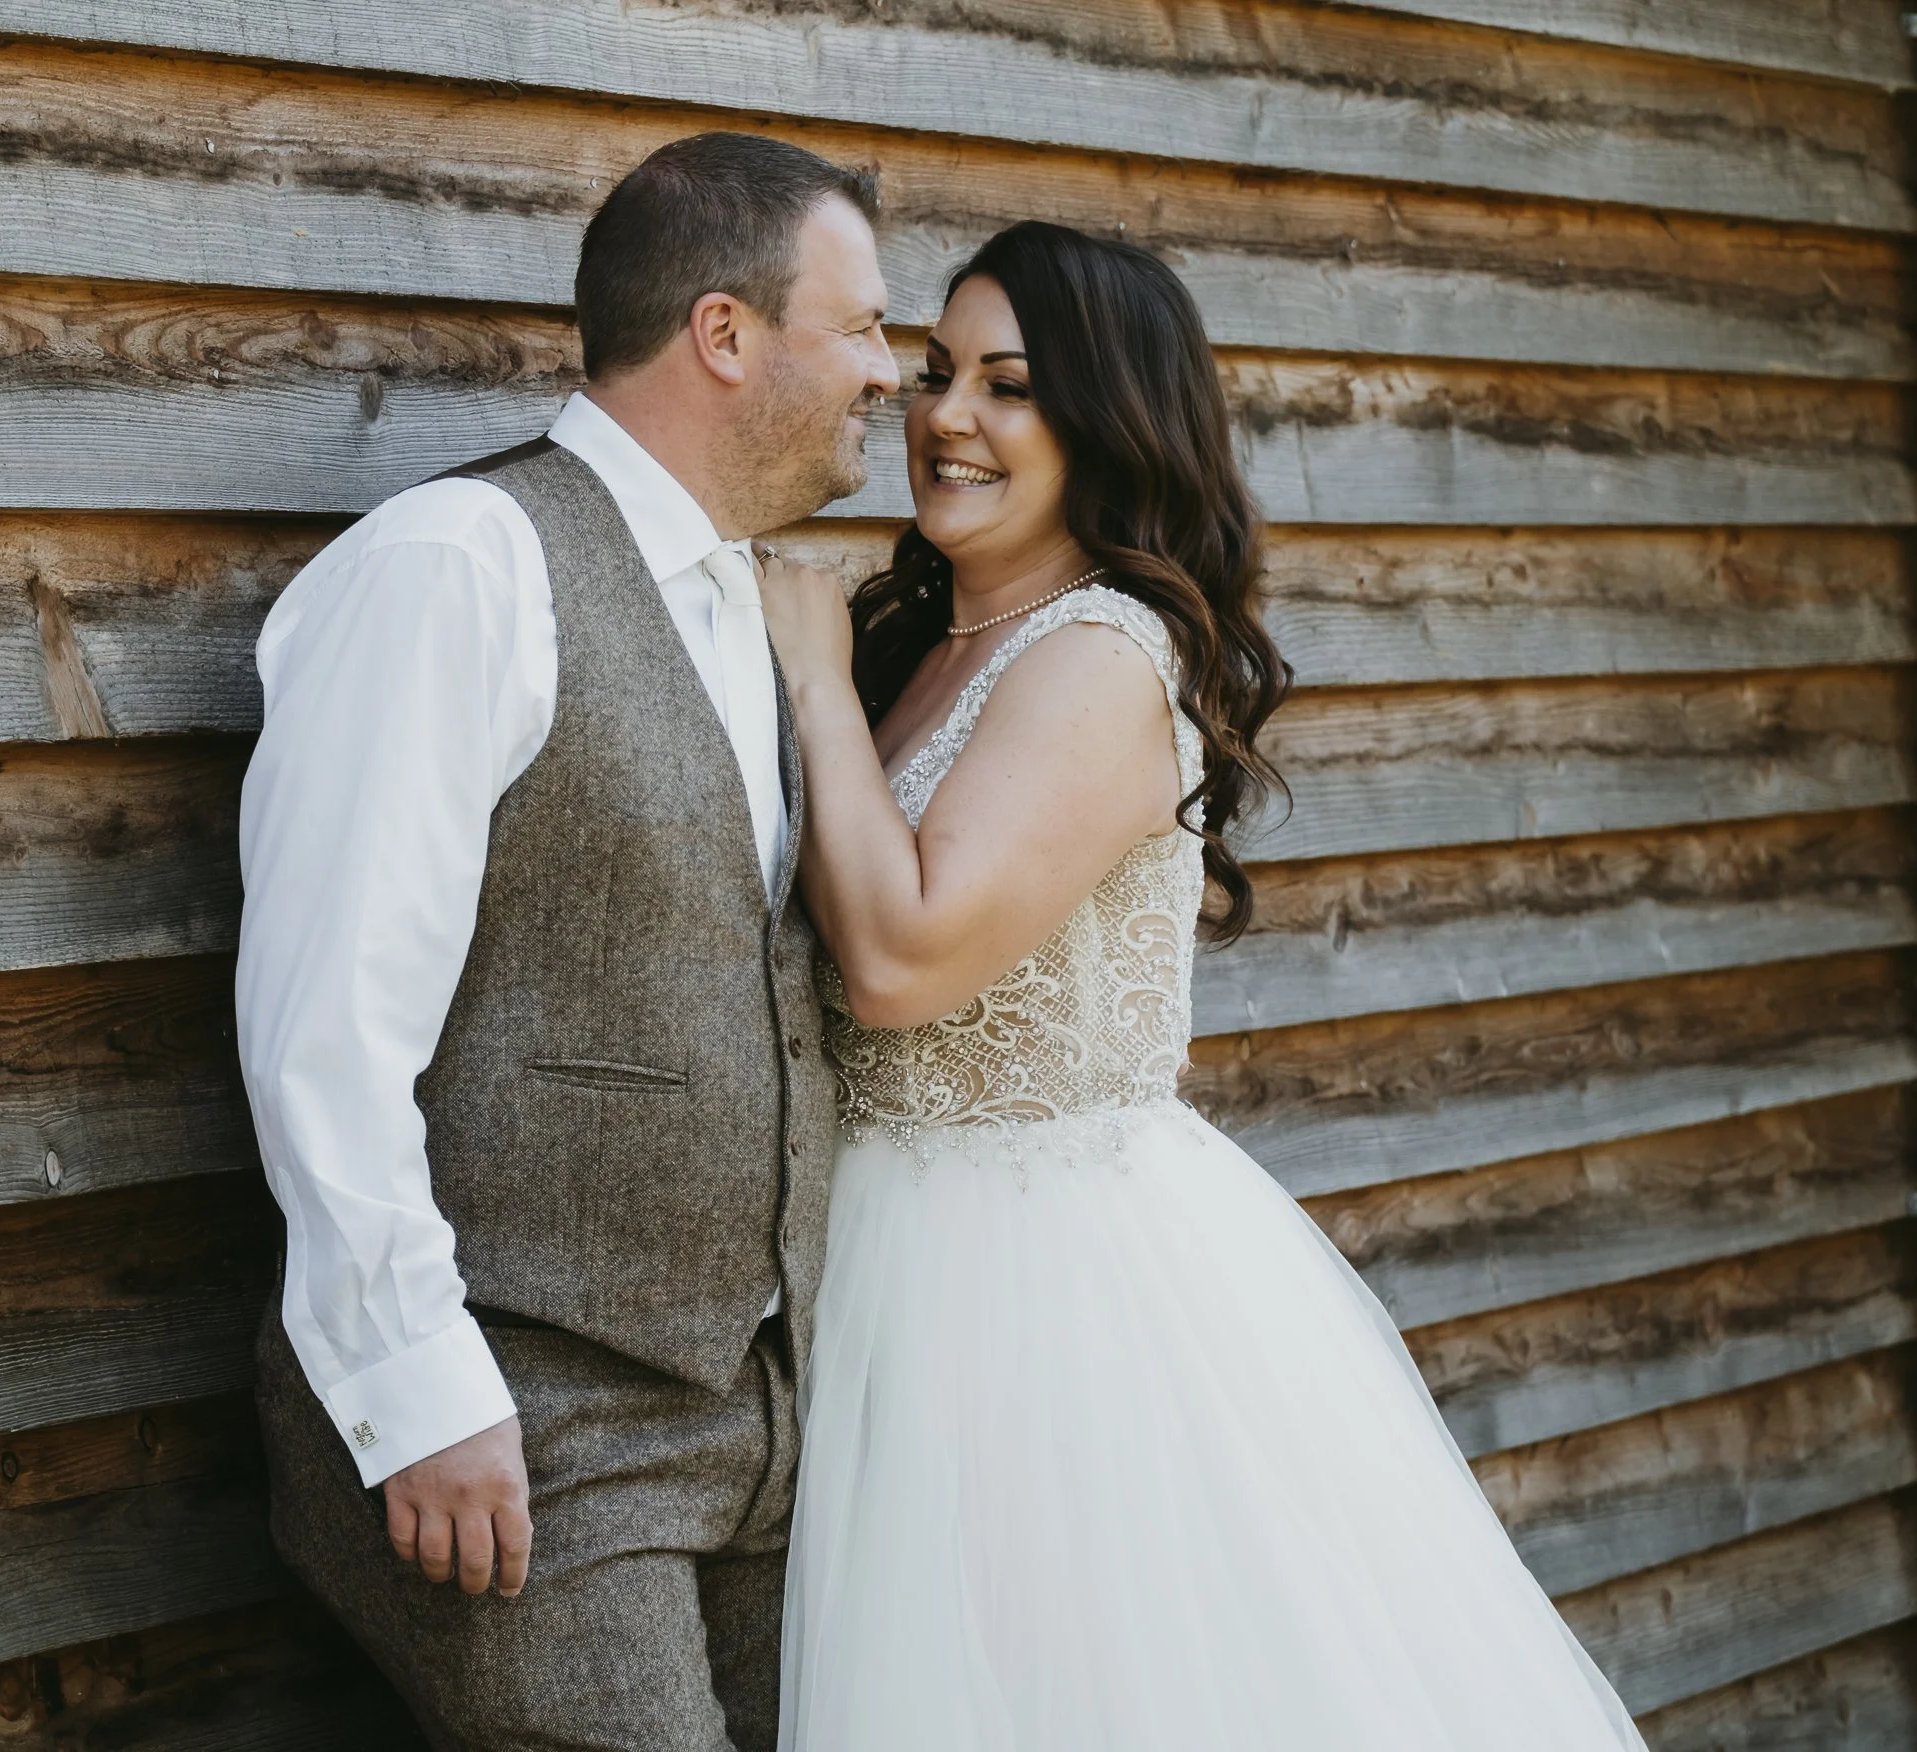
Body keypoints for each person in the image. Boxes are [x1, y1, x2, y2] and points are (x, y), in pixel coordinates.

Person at [757, 221, 1650, 1751]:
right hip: (868, 1239)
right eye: (936, 372)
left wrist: (812, 686)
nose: (948, 417)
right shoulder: (928, 641)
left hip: (1036, 1285)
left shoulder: (1104, 654)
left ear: (1112, 419)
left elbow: (902, 958)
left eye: (1013, 386)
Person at [234, 131, 897, 1749]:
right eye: (868, 326)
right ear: (727, 336)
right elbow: (327, 1022)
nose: (894, 374)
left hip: (759, 1422)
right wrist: (417, 1393)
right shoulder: (457, 570)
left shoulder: (751, 605)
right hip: (525, 1424)